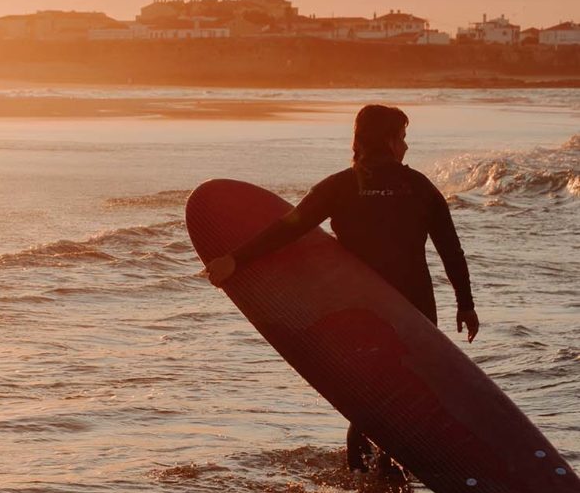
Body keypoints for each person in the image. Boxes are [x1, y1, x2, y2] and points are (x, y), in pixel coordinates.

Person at [205, 104, 480, 474]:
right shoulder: (419, 188)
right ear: (388, 140)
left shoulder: (340, 186)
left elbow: (287, 230)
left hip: (358, 314)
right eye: (402, 137)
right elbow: (451, 251)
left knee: (366, 399)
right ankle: (388, 476)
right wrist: (465, 305)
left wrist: (235, 260)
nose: (405, 146)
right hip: (413, 313)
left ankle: (362, 489)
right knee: (405, 394)